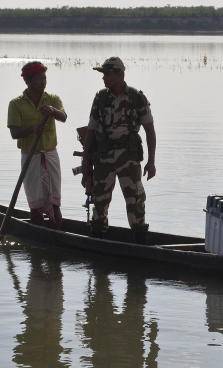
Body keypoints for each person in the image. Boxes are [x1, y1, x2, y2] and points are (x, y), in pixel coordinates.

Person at [80, 57, 156, 243]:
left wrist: (151, 161)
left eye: (107, 74)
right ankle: (98, 239)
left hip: (128, 157)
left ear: (120, 74)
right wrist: (85, 159)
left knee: (135, 199)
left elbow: (150, 131)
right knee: (99, 200)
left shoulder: (136, 97)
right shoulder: (101, 97)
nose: (104, 78)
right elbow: (91, 129)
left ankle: (139, 240)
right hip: (103, 157)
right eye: (103, 74)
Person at [7, 61, 67, 228]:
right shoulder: (16, 104)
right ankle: (38, 235)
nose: (43, 82)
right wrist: (33, 129)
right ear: (28, 81)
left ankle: (58, 233)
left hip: (50, 154)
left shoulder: (52, 99)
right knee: (35, 204)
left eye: (44, 78)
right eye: (39, 79)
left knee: (55, 202)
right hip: (30, 157)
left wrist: (53, 111)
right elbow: (14, 133)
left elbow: (63, 117)